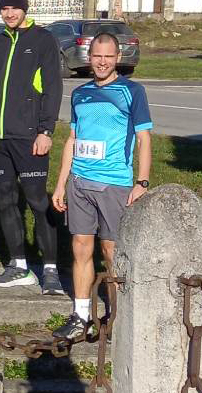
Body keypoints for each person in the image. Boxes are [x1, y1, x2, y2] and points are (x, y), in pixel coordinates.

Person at [51, 33, 153, 341]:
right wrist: (60, 184)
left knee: (111, 251)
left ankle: (118, 316)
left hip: (114, 185)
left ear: (117, 57)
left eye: (108, 56)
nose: (102, 62)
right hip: (80, 183)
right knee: (81, 248)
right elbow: (72, 140)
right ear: (89, 57)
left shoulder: (132, 91)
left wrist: (142, 182)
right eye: (97, 56)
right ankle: (81, 315)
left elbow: (145, 139)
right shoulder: (79, 93)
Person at [0, 0, 65, 295]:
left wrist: (46, 130)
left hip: (29, 138)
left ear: (25, 7)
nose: (9, 13)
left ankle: (50, 269)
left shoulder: (43, 40)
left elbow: (53, 88)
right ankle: (19, 265)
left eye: (14, 7)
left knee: (38, 202)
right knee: (6, 200)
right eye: (4, 8)